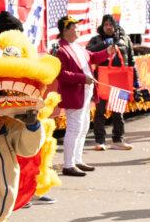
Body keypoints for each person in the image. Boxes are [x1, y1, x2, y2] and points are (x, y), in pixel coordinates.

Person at [55, 16, 110, 177]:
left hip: (86, 91)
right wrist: (82, 78)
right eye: (75, 27)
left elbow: (91, 57)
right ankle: (68, 164)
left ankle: (77, 160)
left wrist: (107, 52)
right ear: (66, 30)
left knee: (84, 126)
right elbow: (61, 74)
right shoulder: (61, 49)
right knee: (74, 128)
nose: (78, 29)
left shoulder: (77, 46)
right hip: (75, 92)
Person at [87, 14, 138, 151]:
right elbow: (88, 53)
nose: (108, 27)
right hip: (103, 79)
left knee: (118, 110)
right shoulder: (96, 39)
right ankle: (100, 141)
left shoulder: (125, 39)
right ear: (102, 26)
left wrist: (136, 81)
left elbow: (132, 60)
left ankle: (118, 139)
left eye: (111, 24)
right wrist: (105, 44)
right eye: (106, 25)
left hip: (120, 78)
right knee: (100, 111)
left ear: (115, 25)